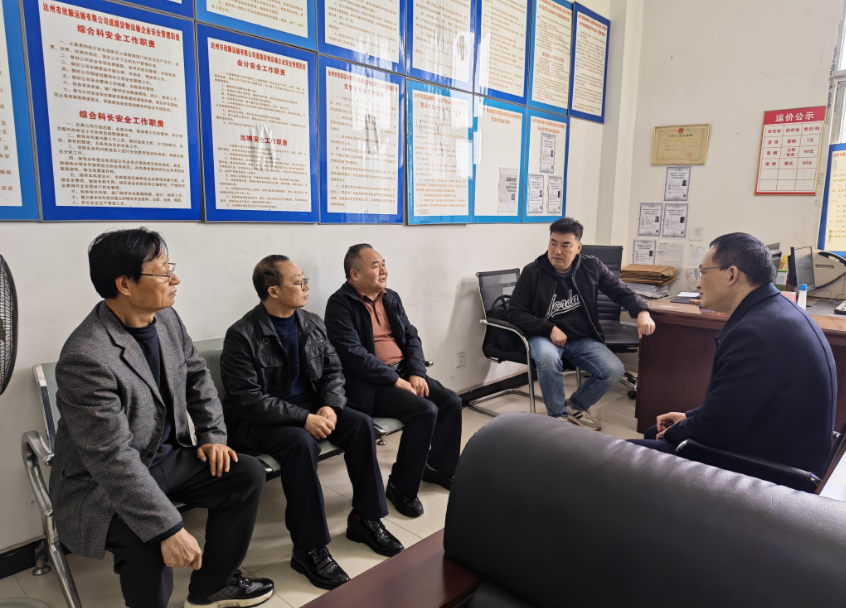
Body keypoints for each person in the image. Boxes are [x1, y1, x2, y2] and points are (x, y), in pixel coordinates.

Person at [50, 228, 273, 608]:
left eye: (172, 268)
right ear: (124, 284)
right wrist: (168, 527)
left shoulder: (166, 319)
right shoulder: (86, 357)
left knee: (245, 474)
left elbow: (197, 377)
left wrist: (212, 435)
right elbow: (112, 459)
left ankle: (213, 587)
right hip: (102, 484)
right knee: (148, 538)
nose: (176, 279)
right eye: (164, 271)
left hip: (165, 458)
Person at [220, 255, 403, 590]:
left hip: (313, 409)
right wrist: (303, 418)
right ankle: (309, 548)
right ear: (273, 290)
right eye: (298, 282)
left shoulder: (311, 322)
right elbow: (248, 399)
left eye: (305, 280)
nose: (306, 287)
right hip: (261, 422)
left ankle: (366, 519)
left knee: (360, 424)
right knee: (300, 443)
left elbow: (333, 370)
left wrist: (331, 406)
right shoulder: (242, 335)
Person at [630, 233, 836, 475]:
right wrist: (688, 416)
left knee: (618, 454)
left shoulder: (753, 335)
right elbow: (737, 401)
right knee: (655, 431)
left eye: (703, 273)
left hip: (770, 469)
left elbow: (716, 427)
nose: (698, 284)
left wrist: (680, 429)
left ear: (731, 274)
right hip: (780, 445)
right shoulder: (777, 310)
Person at [324, 245, 462, 518]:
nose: (384, 271)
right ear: (354, 275)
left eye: (384, 263)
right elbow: (353, 354)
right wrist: (394, 380)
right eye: (375, 266)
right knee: (424, 411)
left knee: (451, 401)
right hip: (368, 384)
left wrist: (417, 372)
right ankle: (401, 487)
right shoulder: (339, 304)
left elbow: (411, 336)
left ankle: (437, 468)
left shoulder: (391, 297)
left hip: (404, 372)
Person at [508, 217, 656, 430]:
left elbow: (621, 292)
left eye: (565, 245)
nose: (557, 251)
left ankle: (577, 406)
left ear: (578, 247)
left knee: (614, 370)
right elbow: (515, 313)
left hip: (581, 338)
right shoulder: (532, 271)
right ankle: (558, 419)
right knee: (548, 359)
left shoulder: (592, 266)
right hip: (544, 335)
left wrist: (642, 311)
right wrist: (549, 328)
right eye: (553, 243)